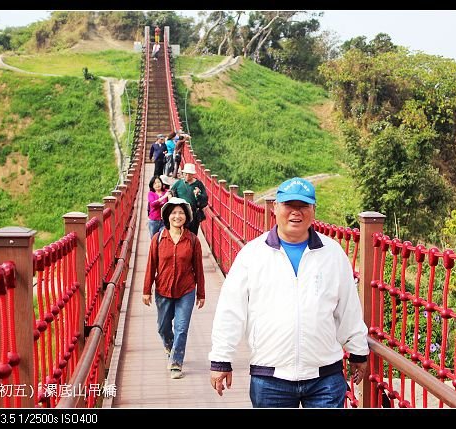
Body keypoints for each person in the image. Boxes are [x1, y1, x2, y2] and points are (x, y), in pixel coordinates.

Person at [209, 177, 369, 408]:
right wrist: (221, 360)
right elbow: (230, 310)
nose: (296, 212)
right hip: (270, 375)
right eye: (289, 205)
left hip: (324, 375)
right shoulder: (253, 255)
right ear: (275, 207)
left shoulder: (332, 254)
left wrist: (357, 352)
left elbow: (348, 308)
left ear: (314, 210)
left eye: (303, 206)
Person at [143, 197, 205, 379]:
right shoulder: (158, 239)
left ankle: (176, 362)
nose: (177, 216)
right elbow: (150, 265)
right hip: (163, 289)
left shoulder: (193, 240)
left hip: (186, 289)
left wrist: (201, 293)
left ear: (186, 217)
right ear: (167, 216)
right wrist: (146, 290)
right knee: (163, 328)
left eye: (181, 213)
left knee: (182, 327)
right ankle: (170, 346)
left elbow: (199, 269)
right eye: (174, 213)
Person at [169, 163, 207, 235]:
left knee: (192, 235)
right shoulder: (179, 183)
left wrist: (198, 195)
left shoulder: (198, 184)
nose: (187, 175)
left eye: (189, 174)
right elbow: (171, 191)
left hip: (194, 215)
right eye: (185, 174)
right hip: (181, 214)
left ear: (193, 174)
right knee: (181, 234)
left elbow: (205, 200)